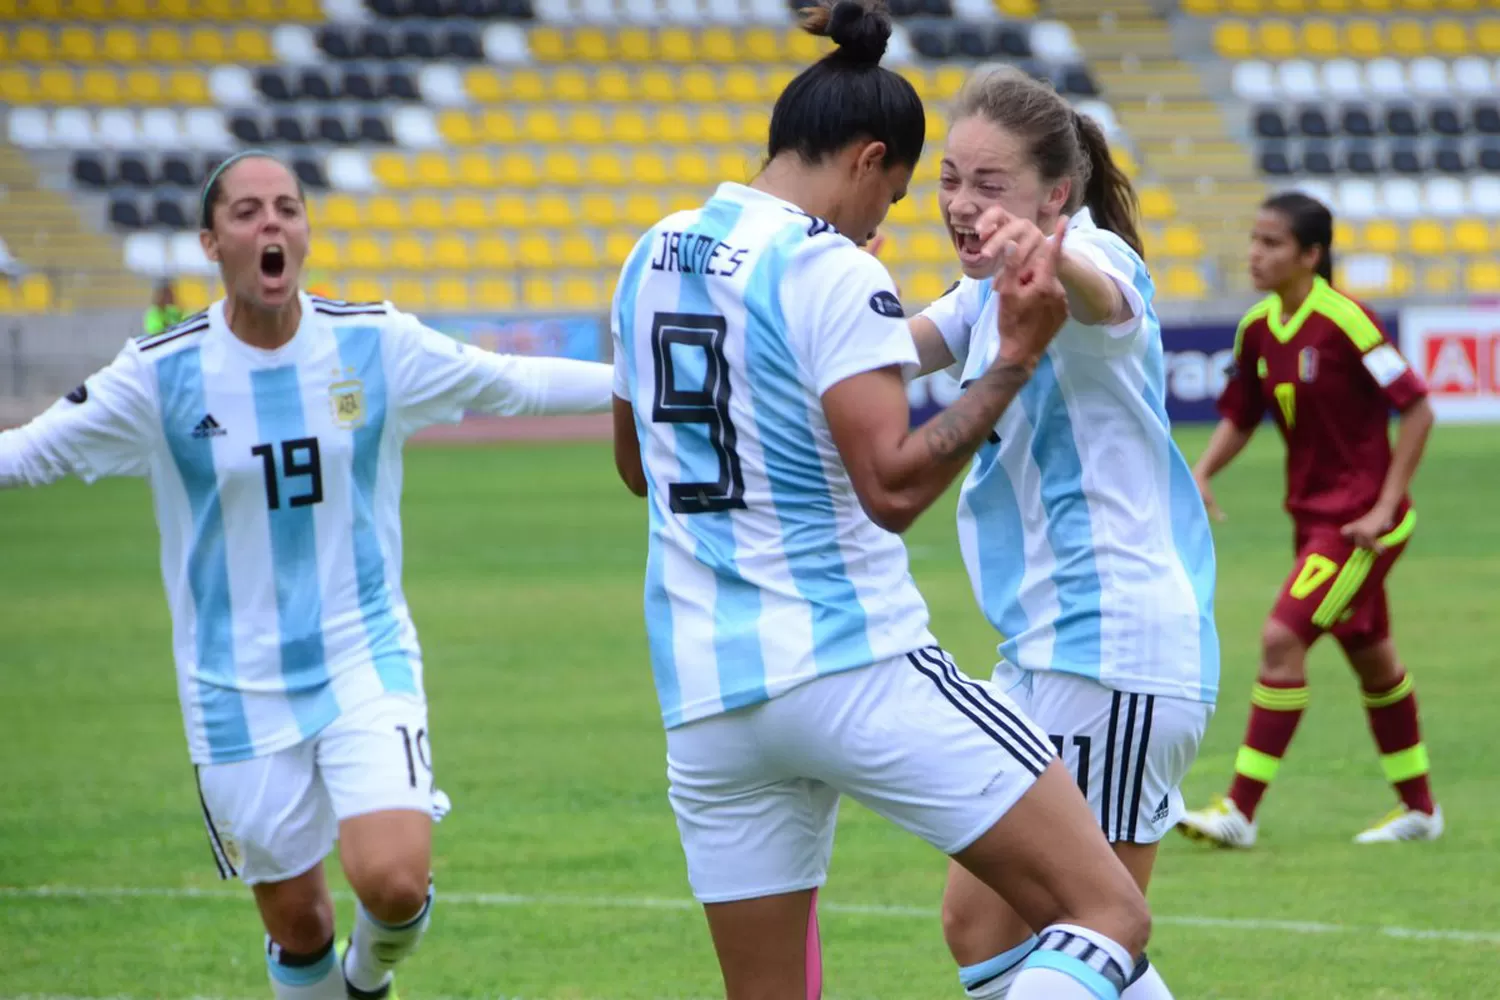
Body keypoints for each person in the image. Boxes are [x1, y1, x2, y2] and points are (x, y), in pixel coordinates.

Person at [610, 5, 1151, 999]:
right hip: (850, 662)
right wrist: (1016, 360)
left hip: (706, 698)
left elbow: (636, 463)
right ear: (867, 160)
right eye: (899, 195)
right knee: (1106, 913)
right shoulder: (829, 264)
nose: (886, 220)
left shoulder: (653, 251)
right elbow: (894, 485)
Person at [0, 150, 614, 1000]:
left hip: (362, 655)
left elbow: (510, 382)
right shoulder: (160, 374)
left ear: (306, 233)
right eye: (248, 213)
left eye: (286, 207)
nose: (271, 224)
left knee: (395, 885)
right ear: (211, 242)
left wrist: (640, 387)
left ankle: (367, 981)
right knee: (301, 926)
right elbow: (27, 454)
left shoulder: (373, 343)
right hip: (232, 688)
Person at [904, 65, 1218, 1000]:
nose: (962, 204)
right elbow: (890, 350)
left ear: (1057, 194)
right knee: (986, 921)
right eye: (951, 179)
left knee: (1087, 922)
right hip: (1047, 651)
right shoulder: (982, 291)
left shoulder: (1096, 258)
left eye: (988, 185)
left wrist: (1046, 250)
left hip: (1114, 649)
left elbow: (1103, 299)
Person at [1177, 191, 1440, 848]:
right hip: (1312, 521)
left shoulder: (1348, 321)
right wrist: (1203, 471)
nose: (1256, 254)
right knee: (1374, 662)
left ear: (1311, 255)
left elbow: (1418, 409)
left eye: (1271, 243)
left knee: (1280, 639)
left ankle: (1239, 811)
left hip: (1359, 526)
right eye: (1254, 240)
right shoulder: (1259, 328)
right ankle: (1421, 811)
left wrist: (1384, 506)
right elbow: (1241, 413)